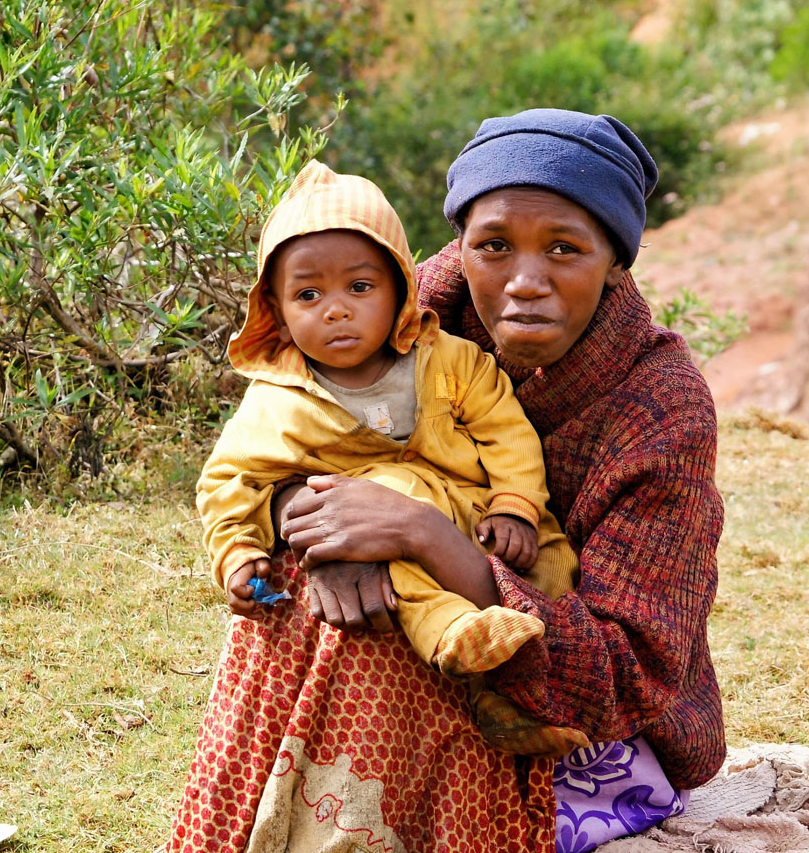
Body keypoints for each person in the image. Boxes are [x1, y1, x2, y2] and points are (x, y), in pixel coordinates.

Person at [43, 109, 725, 853]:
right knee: (284, 582)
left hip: (596, 736)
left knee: (374, 628)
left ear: (617, 259)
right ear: (456, 247)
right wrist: (312, 524)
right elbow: (279, 432)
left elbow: (628, 677)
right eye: (494, 245)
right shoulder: (422, 306)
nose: (522, 280)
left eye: (565, 248)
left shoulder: (661, 409)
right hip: (433, 644)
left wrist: (423, 538)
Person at [195, 160, 575, 677]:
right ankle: (453, 633)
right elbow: (229, 481)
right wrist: (237, 553)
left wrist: (515, 506)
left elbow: (507, 431)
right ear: (278, 317)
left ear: (400, 290)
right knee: (395, 527)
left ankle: (545, 684)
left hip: (481, 520)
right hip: (383, 533)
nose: (335, 310)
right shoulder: (277, 401)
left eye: (360, 287)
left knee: (554, 561)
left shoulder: (450, 359)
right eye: (308, 295)